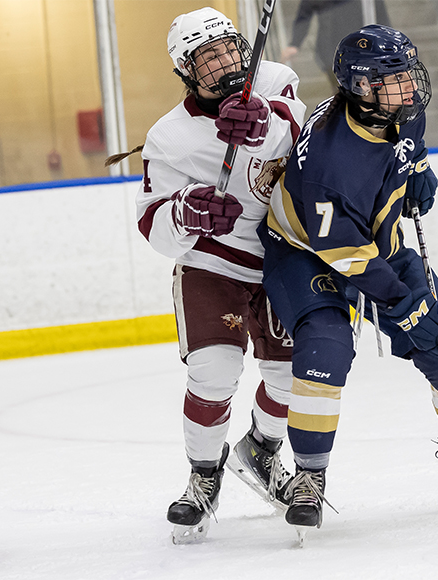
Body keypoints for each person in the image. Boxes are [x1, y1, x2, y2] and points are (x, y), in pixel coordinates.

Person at [258, 24, 438, 535]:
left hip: (374, 240)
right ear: (360, 87)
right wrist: (404, 304)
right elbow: (344, 252)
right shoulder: (332, 164)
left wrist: (417, 165)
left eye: (408, 76)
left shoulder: (396, 106)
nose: (410, 88)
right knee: (325, 349)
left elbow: (409, 135)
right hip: (305, 252)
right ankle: (310, 476)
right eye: (394, 81)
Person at [124, 7, 306, 543]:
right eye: (209, 57)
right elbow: (150, 219)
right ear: (186, 70)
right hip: (213, 265)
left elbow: (308, 138)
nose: (227, 62)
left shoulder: (273, 80)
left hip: (280, 256)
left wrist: (267, 119)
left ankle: (263, 451)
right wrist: (188, 211)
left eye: (230, 48)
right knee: (214, 372)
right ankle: (204, 477)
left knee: (291, 379)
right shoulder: (169, 136)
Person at [280, 0, 390, 87]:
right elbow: (305, 12)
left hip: (363, 48)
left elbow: (379, 12)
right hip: (332, 51)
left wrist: (388, 42)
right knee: (345, 91)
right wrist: (295, 43)